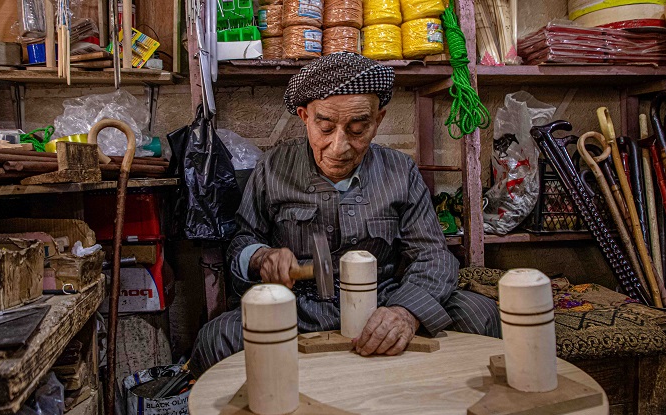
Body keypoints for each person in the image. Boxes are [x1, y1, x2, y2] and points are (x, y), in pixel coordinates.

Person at [189, 52, 500, 376]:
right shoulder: (273, 166)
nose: (339, 147)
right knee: (216, 339)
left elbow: (433, 256)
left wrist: (405, 312)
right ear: (304, 116)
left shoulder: (399, 170)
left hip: (381, 300)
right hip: (298, 309)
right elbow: (241, 240)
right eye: (325, 128)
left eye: (357, 129)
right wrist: (261, 257)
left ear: (378, 120)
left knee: (479, 312)